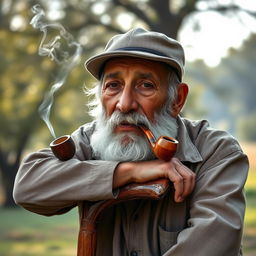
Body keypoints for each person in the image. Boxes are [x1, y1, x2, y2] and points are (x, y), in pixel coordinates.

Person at [13, 28, 249, 256]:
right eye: (113, 86)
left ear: (177, 100)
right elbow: (27, 186)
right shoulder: (90, 140)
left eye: (146, 86)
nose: (124, 104)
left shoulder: (215, 152)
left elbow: (213, 245)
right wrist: (130, 172)